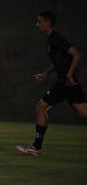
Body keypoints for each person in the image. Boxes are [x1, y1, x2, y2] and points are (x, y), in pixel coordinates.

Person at [17, 11, 87, 156]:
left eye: (39, 22)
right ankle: (36, 147)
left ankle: (36, 147)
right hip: (69, 82)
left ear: (48, 23)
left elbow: (76, 54)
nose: (37, 25)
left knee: (41, 106)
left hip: (66, 82)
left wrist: (68, 75)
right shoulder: (51, 39)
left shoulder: (56, 38)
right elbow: (60, 61)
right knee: (83, 112)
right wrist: (46, 73)